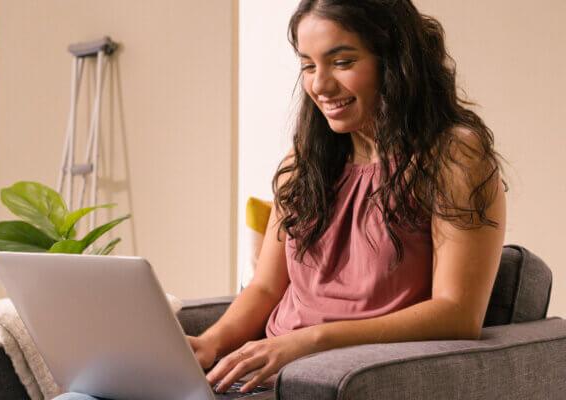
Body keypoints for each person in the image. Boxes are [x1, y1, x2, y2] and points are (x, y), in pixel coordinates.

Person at [55, 0, 508, 398]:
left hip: (336, 379)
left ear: (395, 59)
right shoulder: (304, 161)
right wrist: (210, 344)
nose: (321, 86)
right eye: (308, 66)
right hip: (260, 377)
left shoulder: (454, 155)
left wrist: (311, 341)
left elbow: (457, 313)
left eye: (342, 61)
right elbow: (267, 288)